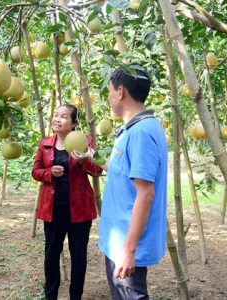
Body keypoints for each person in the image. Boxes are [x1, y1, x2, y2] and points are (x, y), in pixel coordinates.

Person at [97, 66, 168, 299]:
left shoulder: (141, 133)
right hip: (119, 240)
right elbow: (122, 171)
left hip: (125, 245)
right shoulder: (135, 128)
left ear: (120, 92)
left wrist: (128, 249)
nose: (109, 98)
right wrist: (91, 157)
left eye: (109, 92)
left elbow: (146, 194)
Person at [31, 104, 103, 300]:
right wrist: (49, 173)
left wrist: (83, 161)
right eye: (56, 115)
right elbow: (35, 171)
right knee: (51, 254)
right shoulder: (45, 144)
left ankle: (75, 296)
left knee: (78, 256)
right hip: (53, 210)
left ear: (73, 123)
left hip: (79, 210)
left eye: (63, 117)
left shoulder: (85, 142)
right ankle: (50, 295)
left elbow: (98, 170)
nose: (57, 119)